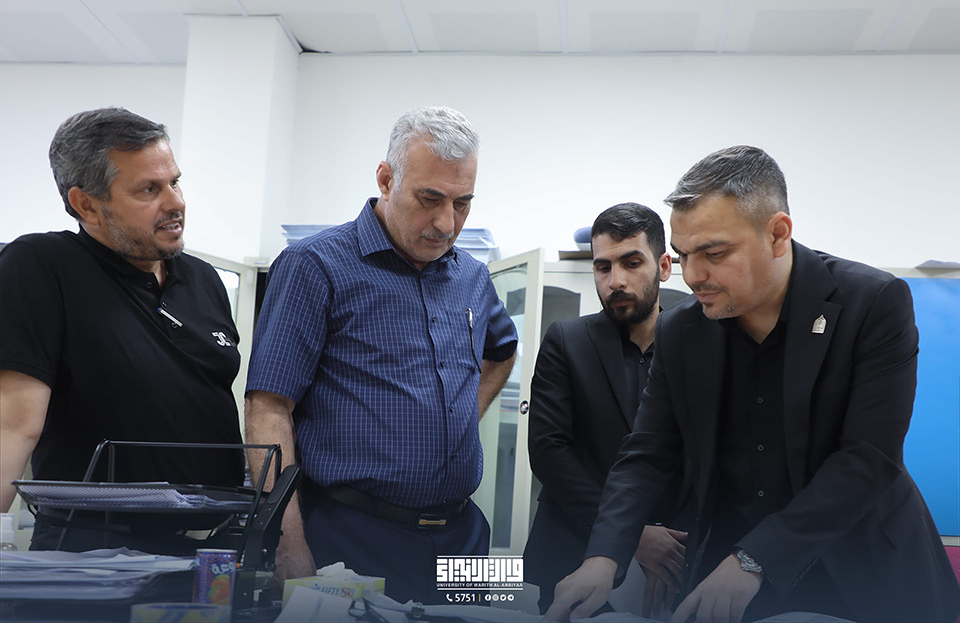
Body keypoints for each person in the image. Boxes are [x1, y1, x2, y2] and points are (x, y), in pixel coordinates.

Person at [545, 145, 960, 623]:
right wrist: (603, 558)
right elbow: (647, 453)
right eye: (684, 255)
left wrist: (755, 559)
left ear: (778, 234)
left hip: (863, 572)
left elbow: (868, 458)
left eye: (714, 253)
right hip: (727, 573)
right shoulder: (681, 330)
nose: (693, 276)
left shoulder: (872, 302)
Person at [244, 106, 518, 605]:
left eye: (462, 203)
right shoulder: (314, 265)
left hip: (464, 536)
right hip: (352, 536)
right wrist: (287, 545)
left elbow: (503, 350)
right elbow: (268, 408)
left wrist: (461, 418)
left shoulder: (473, 277)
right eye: (429, 199)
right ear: (386, 179)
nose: (446, 223)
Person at [0, 107, 244, 553]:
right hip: (95, 550)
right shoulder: (43, 265)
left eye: (174, 182)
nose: (175, 203)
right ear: (86, 204)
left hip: (211, 546)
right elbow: (12, 424)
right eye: (149, 189)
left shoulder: (203, 279)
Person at [524, 203, 690, 618]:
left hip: (675, 556)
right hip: (574, 549)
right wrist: (630, 535)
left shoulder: (697, 345)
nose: (615, 281)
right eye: (603, 267)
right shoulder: (567, 341)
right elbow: (548, 451)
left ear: (664, 266)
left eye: (631, 263)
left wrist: (666, 540)